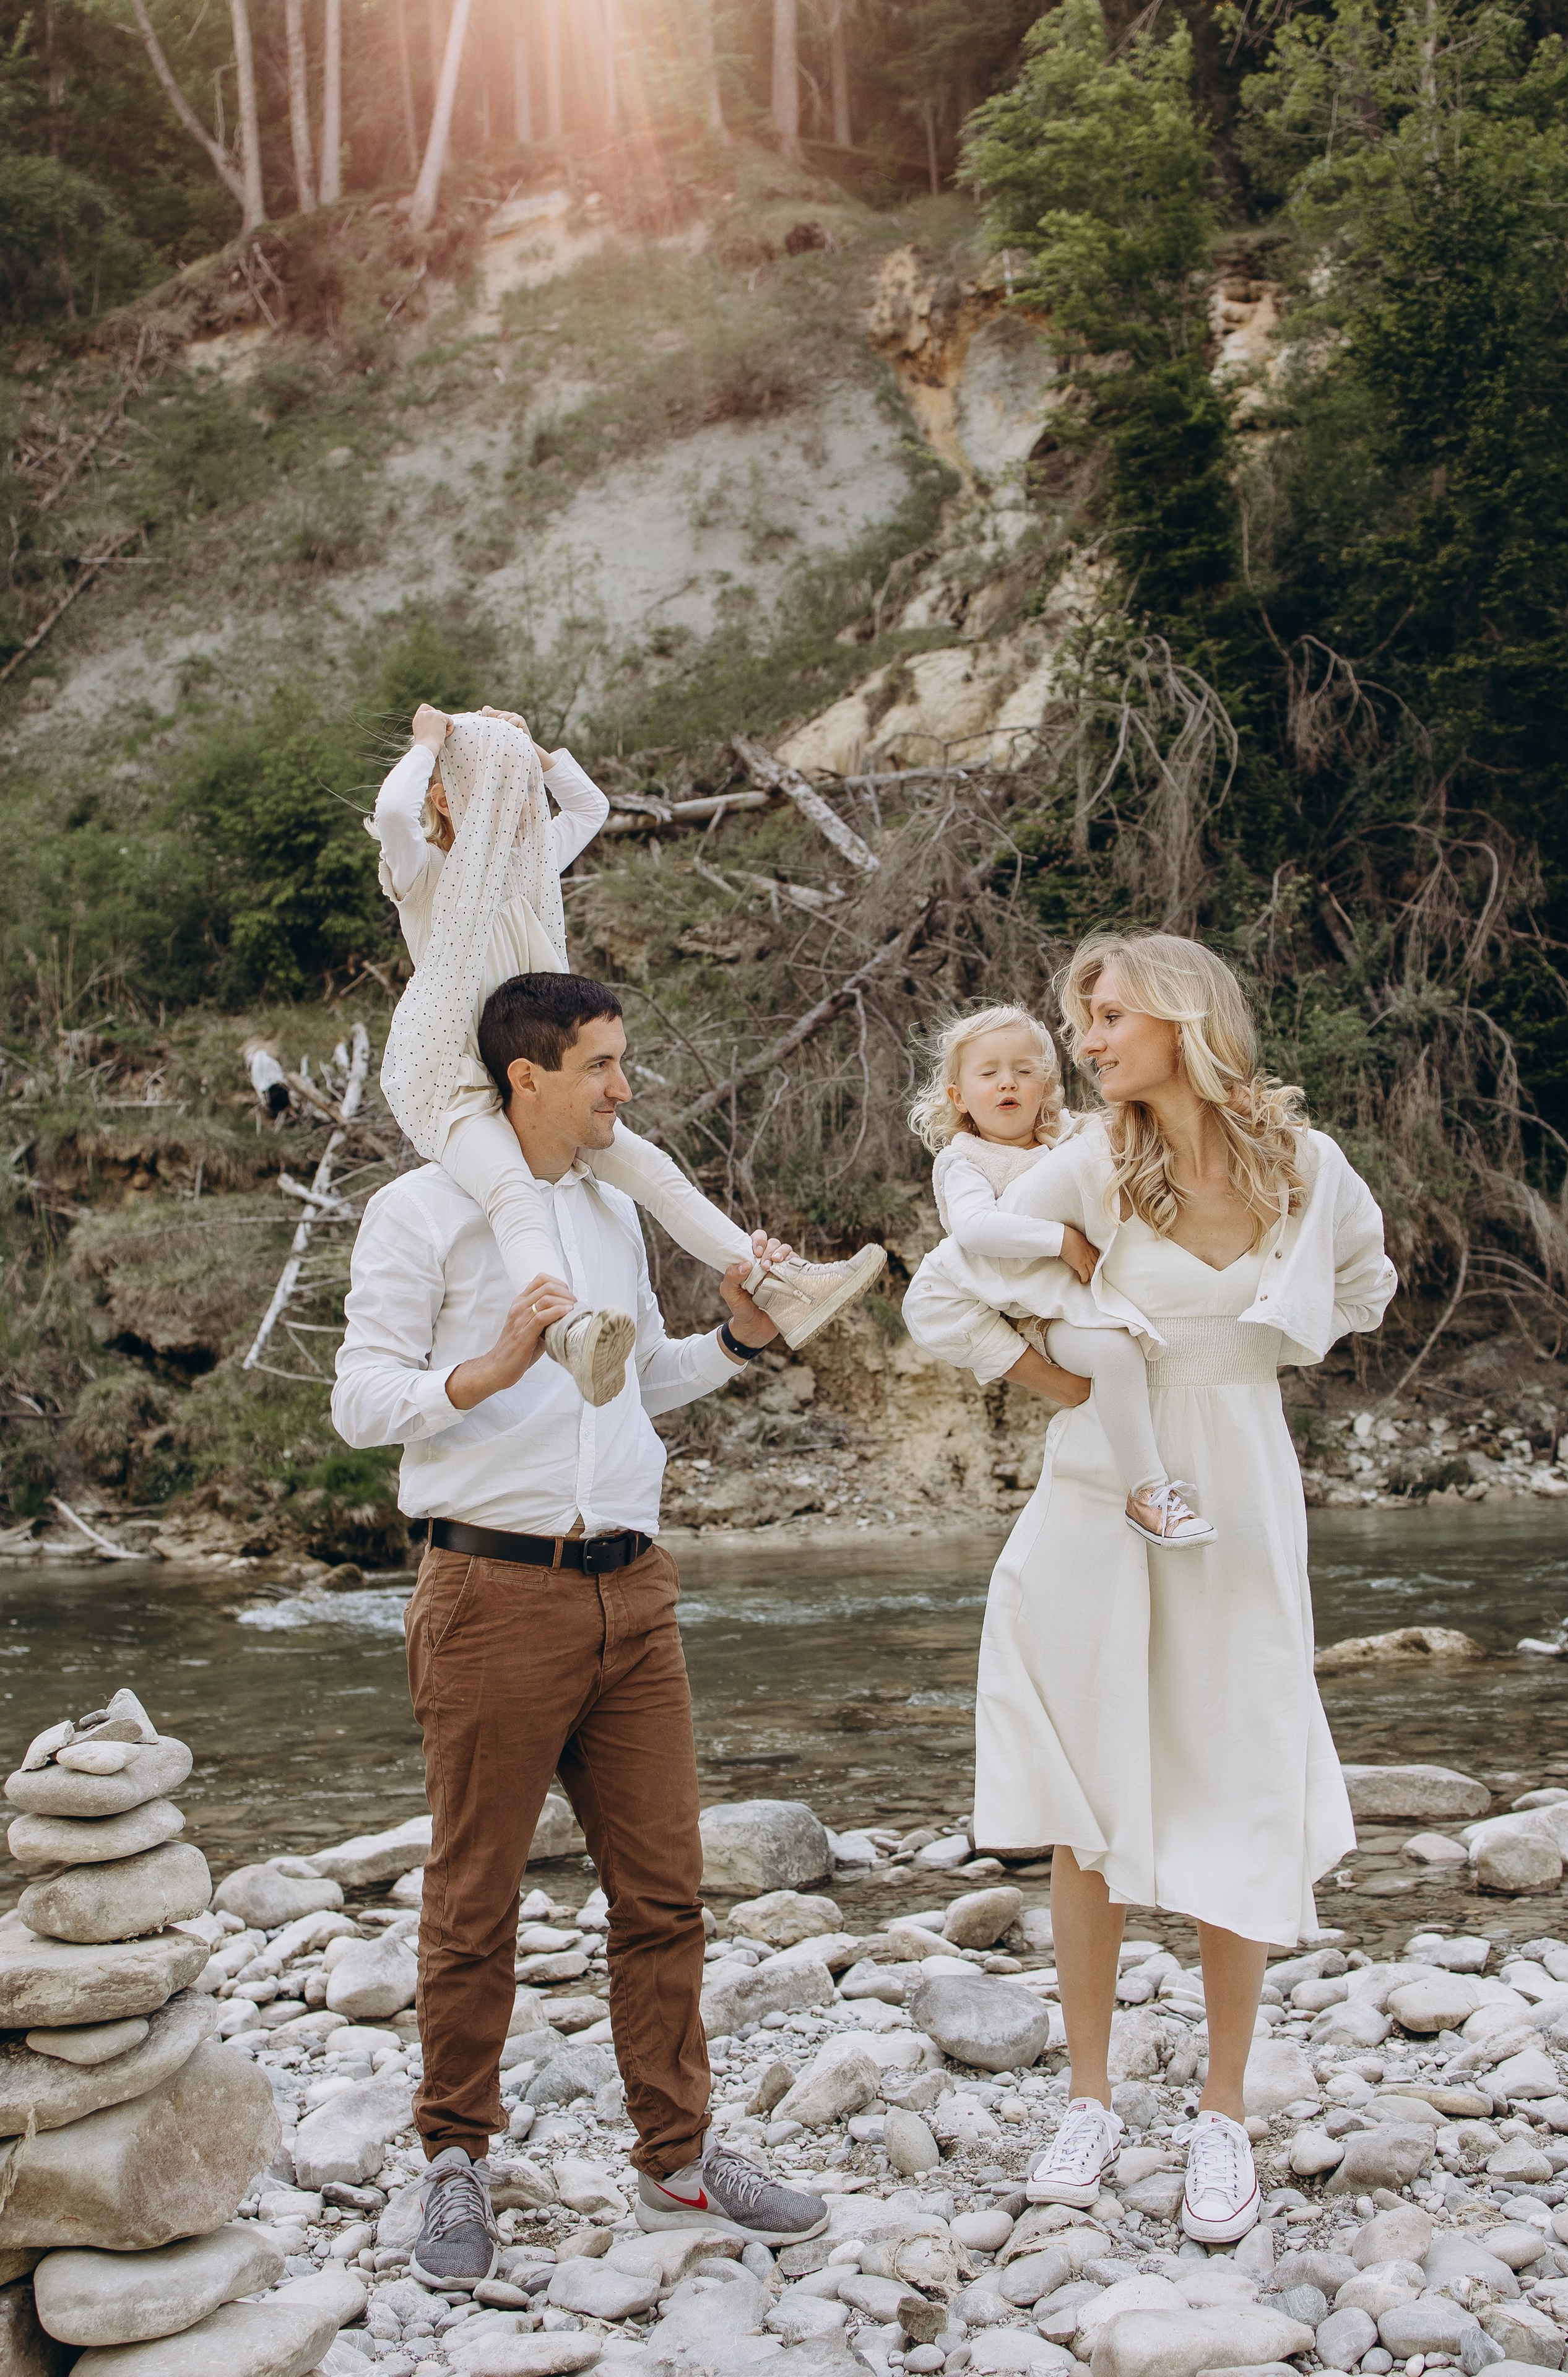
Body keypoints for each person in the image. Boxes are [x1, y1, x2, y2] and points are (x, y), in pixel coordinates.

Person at [331, 971, 832, 2288]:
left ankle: (678, 2160)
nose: (625, 1087)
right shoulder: (421, 1208)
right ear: (528, 1078)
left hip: (635, 1592)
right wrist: (488, 1369)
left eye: (624, 1059)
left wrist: (737, 1341)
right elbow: (359, 1401)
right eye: (602, 1065)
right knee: (476, 1896)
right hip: (488, 1595)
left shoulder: (612, 1209)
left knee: (664, 1894)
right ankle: (454, 2158)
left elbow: (641, 1382)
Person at [903, 932, 1396, 2243]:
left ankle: (1222, 2115)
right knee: (1089, 1797)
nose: (1087, 1042)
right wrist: (1057, 1381)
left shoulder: (1306, 1165)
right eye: (1084, 1019)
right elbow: (944, 1293)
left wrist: (1252, 1349)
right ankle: (1089, 2101)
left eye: (1109, 1015)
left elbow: (1363, 1282)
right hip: (1100, 1496)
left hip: (1239, 1489)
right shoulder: (1084, 1166)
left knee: (1242, 1771)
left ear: (1183, 1017)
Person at [371, 703, 885, 1408]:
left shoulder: (526, 869)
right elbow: (392, 815)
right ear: (444, 797)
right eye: (503, 790)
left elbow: (591, 807)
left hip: (545, 1071)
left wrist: (532, 750)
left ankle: (781, 1282)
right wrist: (429, 743)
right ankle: (568, 1329)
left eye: (524, 793)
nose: (521, 808)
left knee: (654, 1170)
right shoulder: (427, 874)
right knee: (511, 1192)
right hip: (461, 1077)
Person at [904, 1003, 1216, 1547]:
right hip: (1015, 1313)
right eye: (988, 1073)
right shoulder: (965, 1159)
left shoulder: (1066, 1139)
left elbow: (1116, 1136)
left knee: (1126, 1351)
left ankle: (1145, 1478)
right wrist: (1060, 1240)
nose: (1008, 1082)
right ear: (958, 1096)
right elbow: (974, 1228)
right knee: (1097, 1365)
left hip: (1068, 1305)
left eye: (1024, 1071)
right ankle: (1150, 1490)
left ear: (1047, 1086)